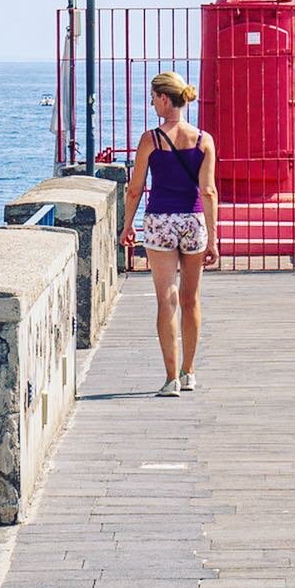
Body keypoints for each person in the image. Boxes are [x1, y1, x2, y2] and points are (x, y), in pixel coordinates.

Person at [120, 71, 219, 396]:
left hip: (160, 221)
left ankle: (171, 379)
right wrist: (213, 239)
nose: (151, 102)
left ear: (165, 98)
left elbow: (135, 190)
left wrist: (127, 225)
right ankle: (190, 372)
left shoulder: (152, 139)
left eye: (153, 97)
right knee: (191, 300)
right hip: (193, 222)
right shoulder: (204, 139)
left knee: (166, 299)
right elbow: (208, 191)